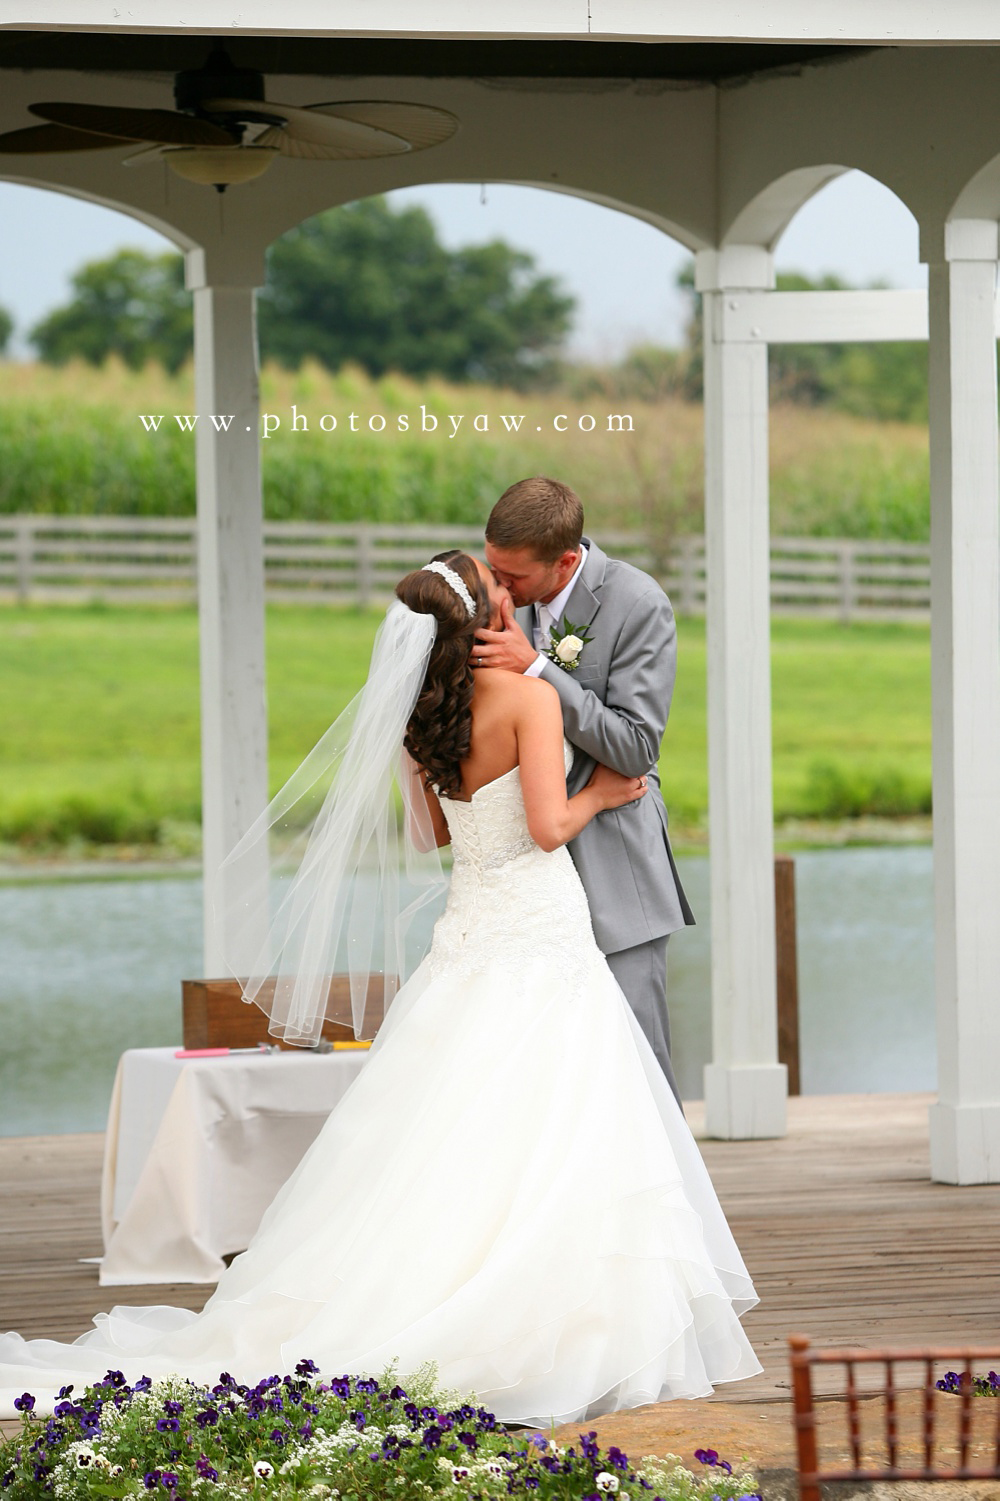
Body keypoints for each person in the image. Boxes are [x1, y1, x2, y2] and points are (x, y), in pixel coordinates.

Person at [0, 551, 760, 1426]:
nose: (509, 591)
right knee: (559, 1121)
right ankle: (549, 1312)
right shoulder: (531, 699)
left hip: (468, 937)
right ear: (481, 614)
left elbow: (432, 830)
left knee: (448, 1129)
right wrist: (611, 794)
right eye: (495, 582)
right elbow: (550, 827)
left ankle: (436, 1287)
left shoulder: (415, 717)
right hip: (541, 933)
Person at [475, 476, 693, 1104]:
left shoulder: (637, 603)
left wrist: (539, 668)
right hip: (524, 882)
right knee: (544, 1081)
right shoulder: (495, 597)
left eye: (512, 576)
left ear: (567, 560)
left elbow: (634, 748)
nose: (500, 588)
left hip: (612, 872)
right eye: (493, 568)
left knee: (637, 1066)